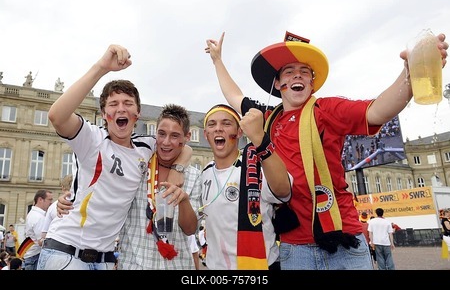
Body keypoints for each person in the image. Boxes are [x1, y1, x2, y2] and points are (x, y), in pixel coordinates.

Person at [205, 31, 448, 270]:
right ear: (278, 83)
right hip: (294, 247)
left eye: (305, 72)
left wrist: (409, 73)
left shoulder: (327, 108)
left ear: (312, 82)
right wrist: (217, 60)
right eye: (289, 72)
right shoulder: (268, 119)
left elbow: (378, 111)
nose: (297, 76)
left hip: (344, 242)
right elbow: (234, 95)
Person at [37, 45, 192, 270]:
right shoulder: (92, 138)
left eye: (128, 104)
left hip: (105, 260)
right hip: (67, 252)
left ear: (137, 114)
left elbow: (184, 147)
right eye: (113, 104)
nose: (121, 109)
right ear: (104, 115)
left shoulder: (145, 146)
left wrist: (178, 168)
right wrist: (101, 68)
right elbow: (57, 116)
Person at [200, 104, 292, 270]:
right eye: (212, 124)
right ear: (206, 134)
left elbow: (283, 190)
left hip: (261, 265)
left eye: (226, 123)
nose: (218, 129)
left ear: (240, 132)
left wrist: (260, 139)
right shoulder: (204, 173)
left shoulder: (256, 166)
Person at [117, 104, 201, 270]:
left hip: (176, 265)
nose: (166, 142)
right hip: (133, 264)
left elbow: (191, 229)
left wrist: (183, 201)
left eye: (175, 136)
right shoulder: (138, 165)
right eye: (161, 134)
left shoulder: (194, 176)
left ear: (187, 137)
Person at [23, 189, 53, 270]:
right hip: (35, 257)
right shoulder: (38, 217)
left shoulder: (35, 214)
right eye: (49, 199)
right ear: (40, 200)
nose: (51, 202)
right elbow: (42, 241)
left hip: (33, 256)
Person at [40, 174, 73, 239]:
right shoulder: (83, 205)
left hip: (53, 243)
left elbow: (44, 234)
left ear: (63, 188)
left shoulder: (53, 207)